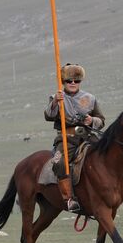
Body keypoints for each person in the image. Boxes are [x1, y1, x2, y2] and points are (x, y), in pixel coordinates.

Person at [45, 64, 105, 213]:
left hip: (88, 136)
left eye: (76, 81)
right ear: (63, 81)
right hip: (66, 138)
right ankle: (69, 199)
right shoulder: (57, 97)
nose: (72, 83)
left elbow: (101, 120)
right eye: (69, 80)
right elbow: (48, 116)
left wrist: (92, 120)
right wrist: (54, 103)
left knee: (105, 155)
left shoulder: (90, 98)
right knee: (59, 163)